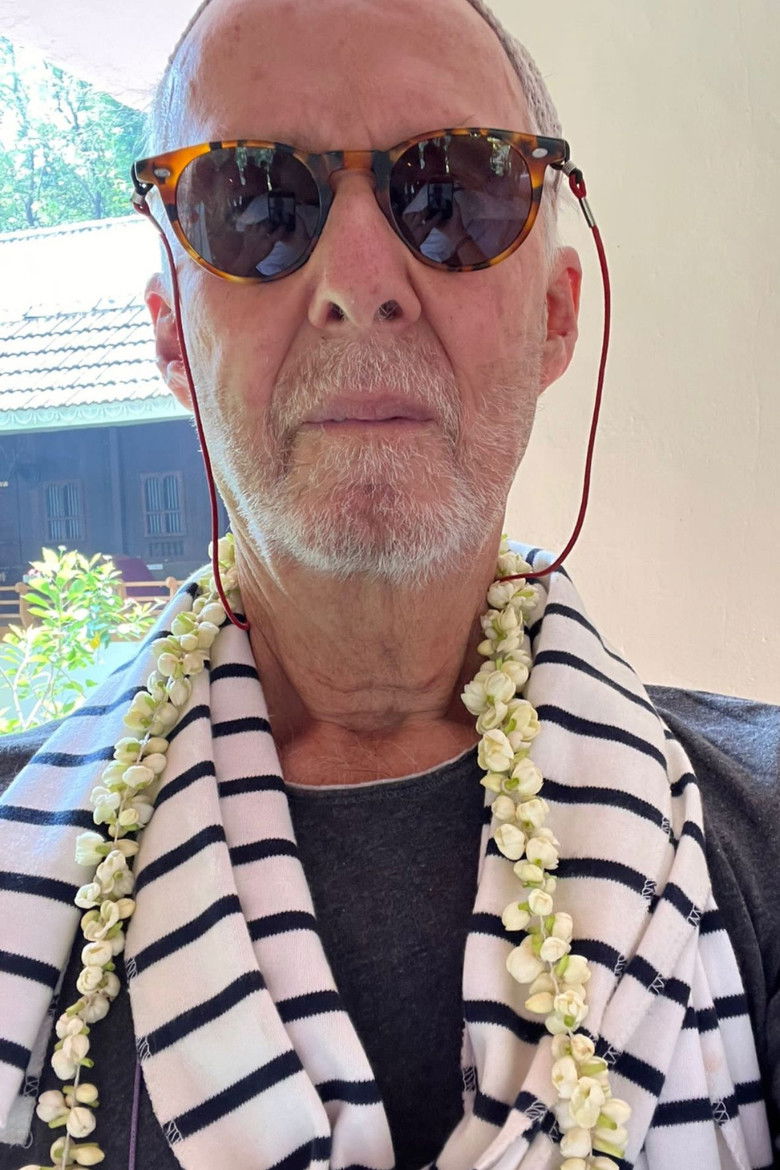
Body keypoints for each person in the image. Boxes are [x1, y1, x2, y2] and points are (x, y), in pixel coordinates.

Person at [0, 1, 777, 1168]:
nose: (361, 281)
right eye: (255, 201)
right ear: (171, 339)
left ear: (556, 315)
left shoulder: (759, 837)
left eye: (453, 190)